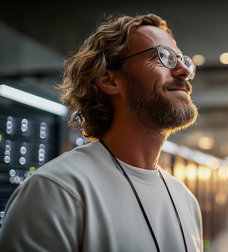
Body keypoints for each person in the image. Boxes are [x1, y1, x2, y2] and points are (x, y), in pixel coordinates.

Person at [0, 13, 202, 251]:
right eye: (163, 57)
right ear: (109, 80)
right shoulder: (57, 191)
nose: (183, 71)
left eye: (183, 60)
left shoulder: (186, 200)